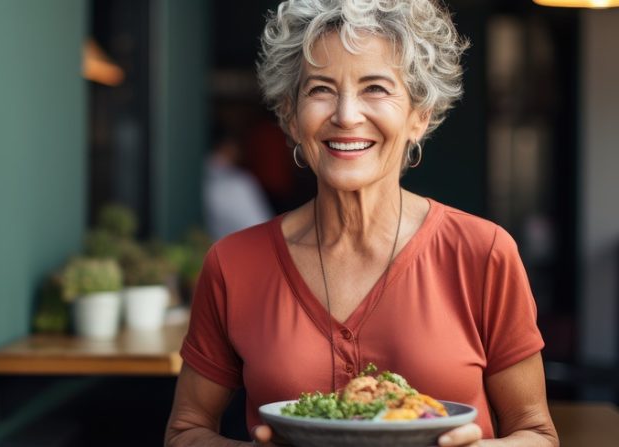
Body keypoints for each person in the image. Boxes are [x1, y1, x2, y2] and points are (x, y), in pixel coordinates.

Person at [165, 1, 559, 446]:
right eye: (320, 90)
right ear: (291, 117)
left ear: (419, 115)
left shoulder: (482, 252)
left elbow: (536, 432)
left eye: (375, 88)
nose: (347, 115)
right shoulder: (234, 265)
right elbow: (185, 431)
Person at [204, 124, 275, 240]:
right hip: (239, 252)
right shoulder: (238, 183)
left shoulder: (192, 177)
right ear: (229, 147)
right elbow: (260, 230)